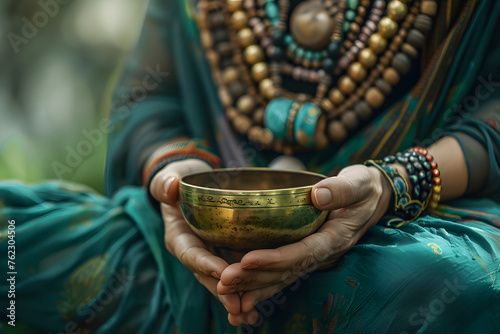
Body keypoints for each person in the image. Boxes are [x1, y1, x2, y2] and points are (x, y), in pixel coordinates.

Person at [1, 0, 500, 333]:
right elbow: (145, 104)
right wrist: (180, 183)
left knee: (451, 280)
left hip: (411, 227)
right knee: (13, 239)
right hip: (189, 242)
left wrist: (393, 182)